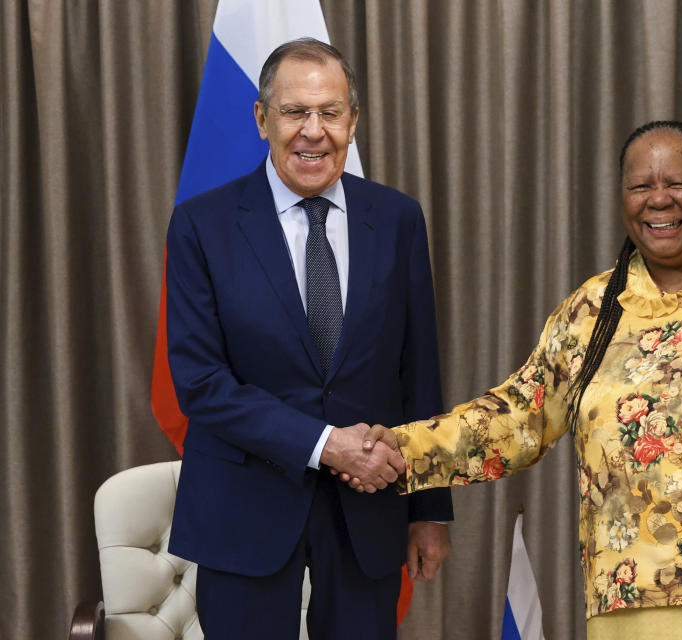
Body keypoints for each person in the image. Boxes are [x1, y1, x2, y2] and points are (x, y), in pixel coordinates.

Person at [354, 121, 682, 639]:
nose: (657, 199)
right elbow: (517, 416)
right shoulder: (591, 312)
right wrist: (402, 448)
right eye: (640, 186)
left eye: (677, 182)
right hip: (637, 589)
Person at [164, 38, 453, 640]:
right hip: (244, 506)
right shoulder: (202, 225)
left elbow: (418, 370)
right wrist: (326, 445)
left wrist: (429, 510)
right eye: (296, 112)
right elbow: (200, 382)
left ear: (353, 121)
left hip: (367, 514)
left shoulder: (399, 219)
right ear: (262, 118)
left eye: (330, 112)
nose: (313, 131)